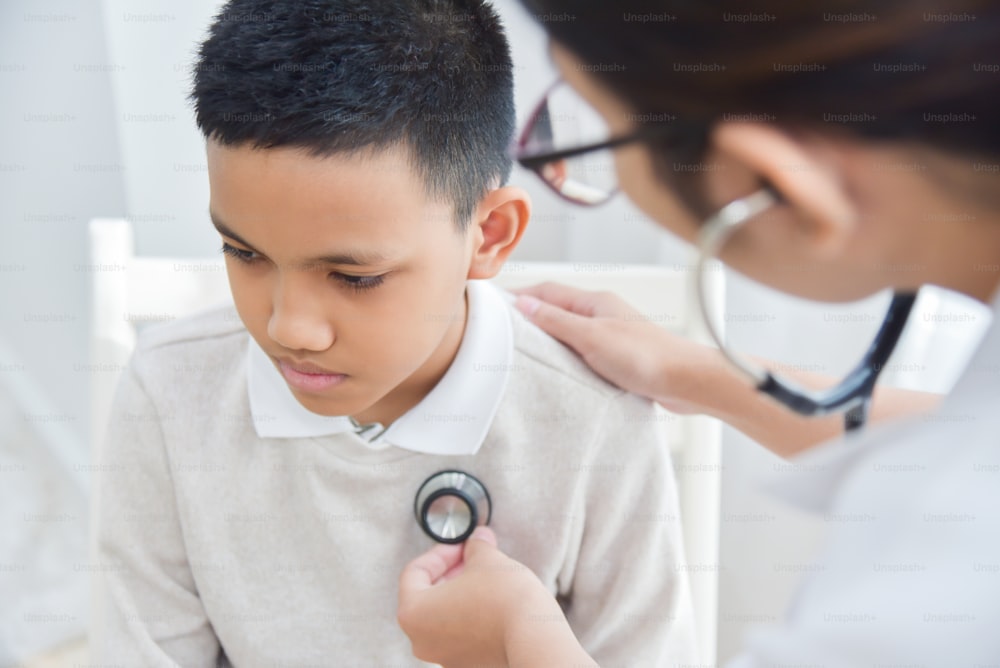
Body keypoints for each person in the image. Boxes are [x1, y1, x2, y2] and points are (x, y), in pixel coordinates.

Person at [90, 0, 698, 665]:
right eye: (244, 253)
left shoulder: (593, 418)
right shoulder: (169, 393)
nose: (289, 327)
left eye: (354, 277)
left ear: (488, 234)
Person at [397, 1, 1000, 666]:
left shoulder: (935, 605)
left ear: (774, 186)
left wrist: (517, 639)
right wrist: (694, 374)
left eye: (594, 123)